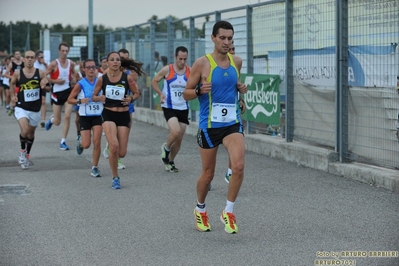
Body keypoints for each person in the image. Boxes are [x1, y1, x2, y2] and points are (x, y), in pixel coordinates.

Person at [183, 21, 247, 234]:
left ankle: (228, 211)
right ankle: (200, 208)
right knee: (208, 175)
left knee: (237, 166)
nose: (227, 42)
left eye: (230, 38)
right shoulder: (202, 64)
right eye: (222, 38)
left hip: (232, 124)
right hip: (209, 126)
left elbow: (233, 89)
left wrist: (240, 94)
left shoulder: (236, 61)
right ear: (213, 38)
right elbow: (187, 93)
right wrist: (199, 89)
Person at [92, 51, 143, 189]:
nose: (115, 62)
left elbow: (137, 93)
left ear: (120, 62)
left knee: (122, 152)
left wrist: (131, 98)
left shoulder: (127, 77)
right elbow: (94, 95)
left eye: (118, 60)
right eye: (112, 60)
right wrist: (98, 98)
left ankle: (112, 152)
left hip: (123, 115)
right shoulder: (102, 78)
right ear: (107, 62)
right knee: (114, 147)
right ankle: (115, 177)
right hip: (108, 114)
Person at [9, 50, 50, 169]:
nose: (30, 59)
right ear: (24, 59)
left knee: (31, 133)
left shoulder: (41, 73)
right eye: (27, 57)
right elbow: (12, 83)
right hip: (21, 106)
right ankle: (22, 151)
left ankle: (27, 154)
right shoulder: (17, 73)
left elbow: (48, 88)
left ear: (35, 59)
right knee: (25, 129)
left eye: (32, 57)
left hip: (35, 108)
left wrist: (44, 86)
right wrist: (13, 96)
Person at [152, 46, 190, 172]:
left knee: (179, 139)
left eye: (185, 59)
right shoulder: (167, 69)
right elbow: (154, 81)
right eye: (180, 59)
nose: (182, 62)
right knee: (176, 132)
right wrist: (160, 93)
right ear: (175, 57)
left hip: (183, 107)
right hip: (169, 106)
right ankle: (166, 148)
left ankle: (171, 161)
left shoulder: (190, 71)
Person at [102, 48, 140, 170]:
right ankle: (114, 154)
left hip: (126, 104)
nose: (120, 60)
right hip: (111, 108)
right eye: (119, 58)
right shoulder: (108, 72)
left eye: (124, 58)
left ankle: (116, 150)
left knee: (125, 133)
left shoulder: (131, 74)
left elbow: (136, 91)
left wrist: (131, 98)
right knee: (115, 140)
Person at [67, 59, 103, 177]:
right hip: (85, 117)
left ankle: (95, 167)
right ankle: (81, 144)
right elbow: (70, 99)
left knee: (97, 142)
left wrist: (104, 98)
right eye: (88, 67)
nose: (91, 69)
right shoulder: (80, 84)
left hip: (98, 116)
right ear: (84, 69)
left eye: (93, 67)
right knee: (87, 144)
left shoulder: (100, 82)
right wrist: (80, 101)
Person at [44, 42, 76, 150]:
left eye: (66, 51)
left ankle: (63, 141)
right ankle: (52, 120)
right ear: (59, 51)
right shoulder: (54, 64)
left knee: (67, 116)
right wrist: (54, 81)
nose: (64, 53)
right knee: (58, 122)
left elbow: (75, 74)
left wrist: (74, 78)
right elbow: (43, 75)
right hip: (57, 94)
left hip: (68, 93)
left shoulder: (71, 63)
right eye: (63, 51)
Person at [224, 40, 246, 183]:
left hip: (233, 111)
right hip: (214, 114)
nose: (232, 52)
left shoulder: (237, 62)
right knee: (211, 150)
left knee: (236, 144)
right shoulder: (212, 64)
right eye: (230, 49)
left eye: (234, 49)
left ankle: (230, 171)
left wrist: (241, 99)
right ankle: (207, 178)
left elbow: (237, 84)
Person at [33, 50, 49, 128]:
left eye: (43, 57)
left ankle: (43, 120)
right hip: (34, 85)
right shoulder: (34, 64)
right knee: (34, 101)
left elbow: (49, 72)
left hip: (42, 84)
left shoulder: (44, 65)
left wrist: (45, 64)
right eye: (41, 57)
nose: (42, 58)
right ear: (37, 58)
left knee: (43, 101)